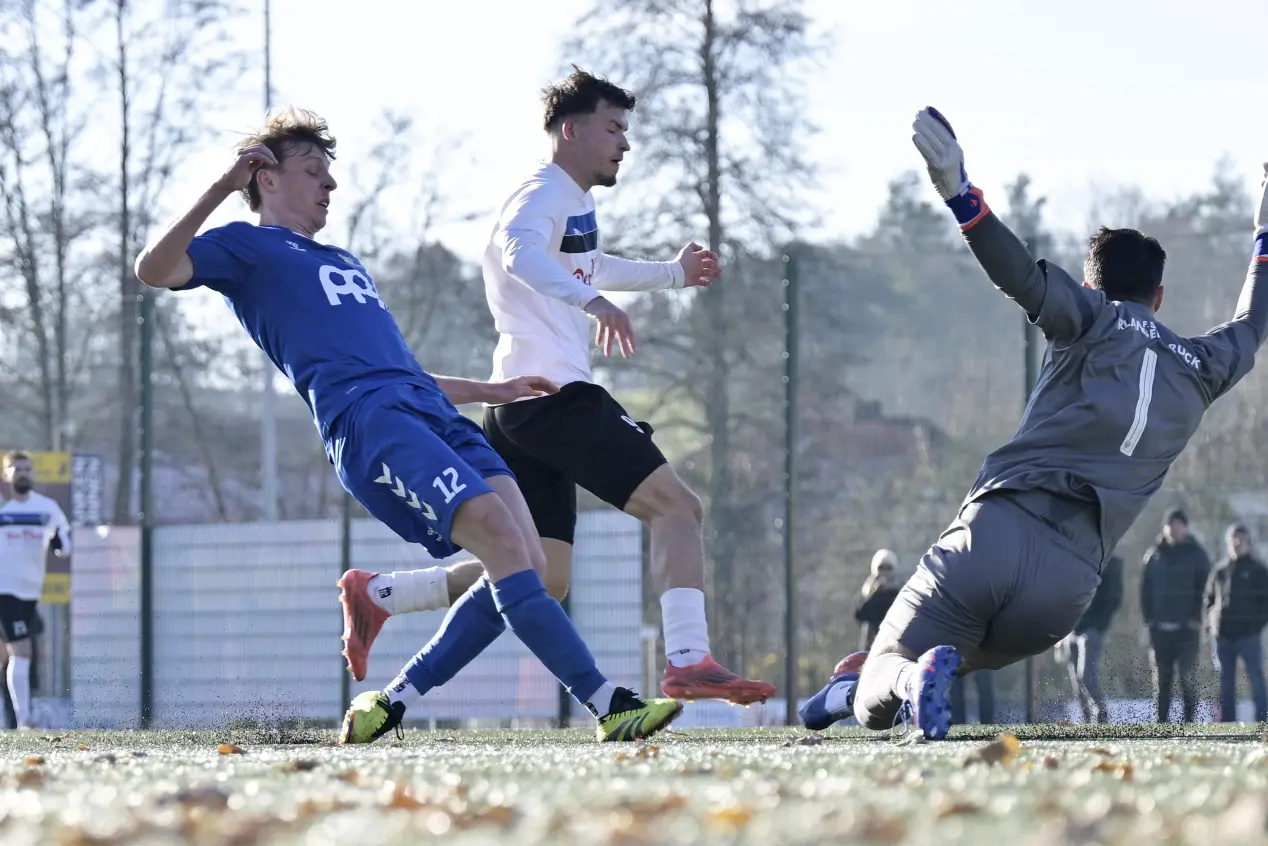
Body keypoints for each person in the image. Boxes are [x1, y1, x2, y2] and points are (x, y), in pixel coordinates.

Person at [132, 108, 681, 744]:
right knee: (503, 541)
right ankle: (609, 704)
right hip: (371, 424)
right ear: (266, 178)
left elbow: (400, 369)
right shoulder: (242, 246)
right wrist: (224, 186)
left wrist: (490, 390)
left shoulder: (341, 260)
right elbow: (152, 268)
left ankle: (390, 701)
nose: (330, 185)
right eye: (314, 171)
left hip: (429, 411)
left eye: (330, 175)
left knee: (530, 564)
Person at [797, 106, 1268, 739]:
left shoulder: (1093, 318)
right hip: (1066, 589)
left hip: (1000, 530)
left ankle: (876, 683)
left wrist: (959, 193)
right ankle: (849, 689)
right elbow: (1252, 327)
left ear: (1091, 283)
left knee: (893, 670)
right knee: (947, 655)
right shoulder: (1198, 365)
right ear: (1160, 298)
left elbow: (1021, 277)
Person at [335, 69, 775, 708]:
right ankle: (688, 661)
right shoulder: (544, 193)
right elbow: (520, 254)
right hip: (556, 398)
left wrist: (671, 276)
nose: (624, 143)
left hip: (521, 407)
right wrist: (595, 304)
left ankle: (386, 606)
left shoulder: (569, 200)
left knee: (541, 575)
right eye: (613, 128)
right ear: (572, 130)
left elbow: (587, 262)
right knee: (679, 509)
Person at [0, 451, 70, 728]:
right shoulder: (2, 509)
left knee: (11, 658)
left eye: (27, 468)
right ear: (6, 475)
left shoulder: (47, 508)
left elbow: (64, 544)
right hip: (5, 590)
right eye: (16, 469)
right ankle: (25, 720)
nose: (23, 473)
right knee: (23, 652)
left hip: (31, 593)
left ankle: (19, 718)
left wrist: (59, 543)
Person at [1140, 509, 1209, 724]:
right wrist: (1150, 620)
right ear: (1165, 528)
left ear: (1186, 528)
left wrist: (1196, 619)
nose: (1174, 529)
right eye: (1171, 524)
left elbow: (1206, 590)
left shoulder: (1197, 555)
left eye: (1179, 524)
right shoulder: (1153, 556)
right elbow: (1144, 591)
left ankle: (1189, 723)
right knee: (1161, 680)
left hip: (1187, 630)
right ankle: (1161, 723)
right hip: (1160, 630)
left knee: (1188, 678)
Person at [1204, 522, 1268, 722]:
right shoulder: (1219, 571)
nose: (1236, 543)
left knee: (1256, 678)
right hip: (1223, 636)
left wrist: (1254, 627)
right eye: (1233, 539)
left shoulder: (1258, 571)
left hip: (1248, 636)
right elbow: (1208, 600)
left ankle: (1262, 720)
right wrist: (1211, 625)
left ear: (1248, 542)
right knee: (1226, 682)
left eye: (1241, 539)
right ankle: (1228, 721)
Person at [1055, 554, 1122, 724]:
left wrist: (1098, 625)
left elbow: (1113, 599)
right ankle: (1087, 721)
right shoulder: (1072, 559)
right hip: (1071, 627)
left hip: (1091, 629)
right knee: (1077, 681)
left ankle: (1102, 713)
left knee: (1086, 676)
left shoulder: (1109, 563)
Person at [856, 549, 900, 650]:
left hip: (892, 640)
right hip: (871, 640)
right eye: (881, 568)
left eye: (888, 568)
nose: (884, 572)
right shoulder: (867, 589)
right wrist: (874, 593)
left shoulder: (899, 590)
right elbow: (860, 614)